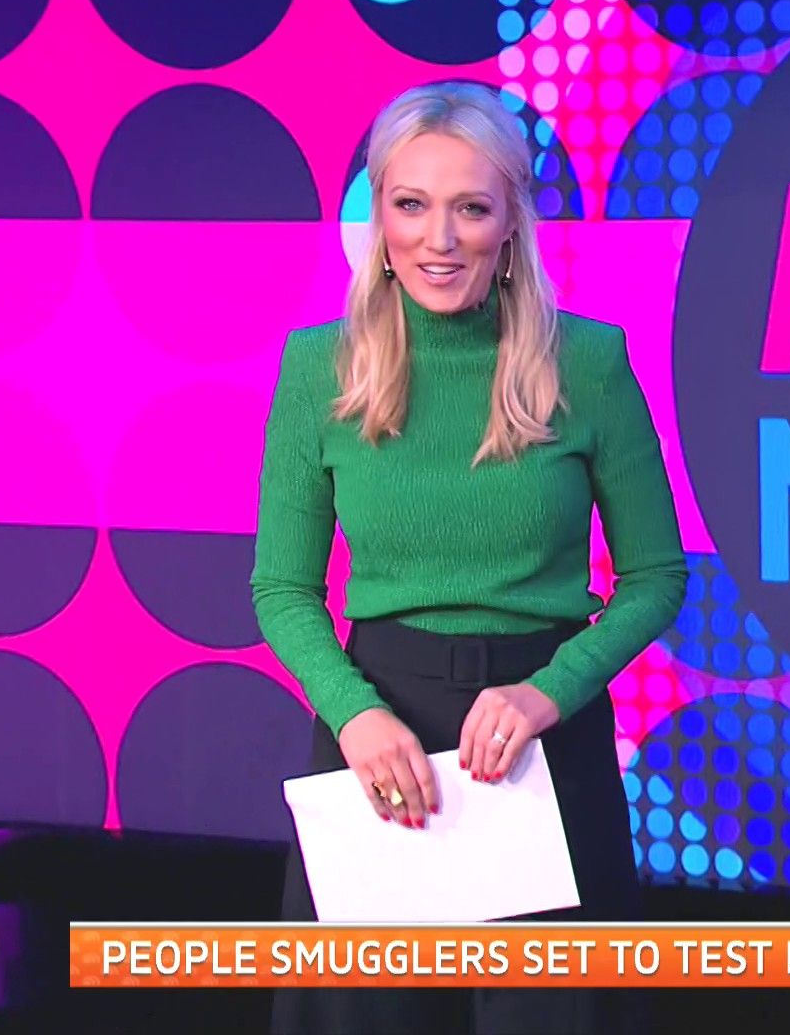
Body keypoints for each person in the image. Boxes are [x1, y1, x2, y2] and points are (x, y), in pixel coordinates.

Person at [251, 80, 687, 1034]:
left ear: (512, 223)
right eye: (411, 205)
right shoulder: (319, 368)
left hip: (541, 736)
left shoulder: (589, 363)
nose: (439, 239)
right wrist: (356, 716)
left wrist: (548, 693)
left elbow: (656, 578)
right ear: (379, 218)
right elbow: (282, 588)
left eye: (471, 209)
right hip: (378, 737)